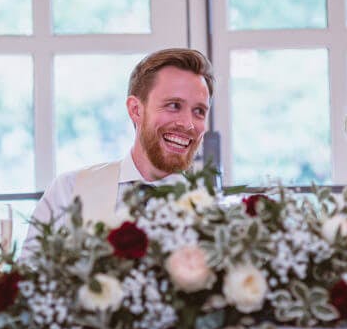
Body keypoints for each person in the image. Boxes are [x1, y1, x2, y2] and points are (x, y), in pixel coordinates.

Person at [23, 48, 214, 252]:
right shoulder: (68, 191)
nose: (188, 124)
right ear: (135, 110)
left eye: (199, 111)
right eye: (174, 105)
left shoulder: (213, 215)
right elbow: (30, 279)